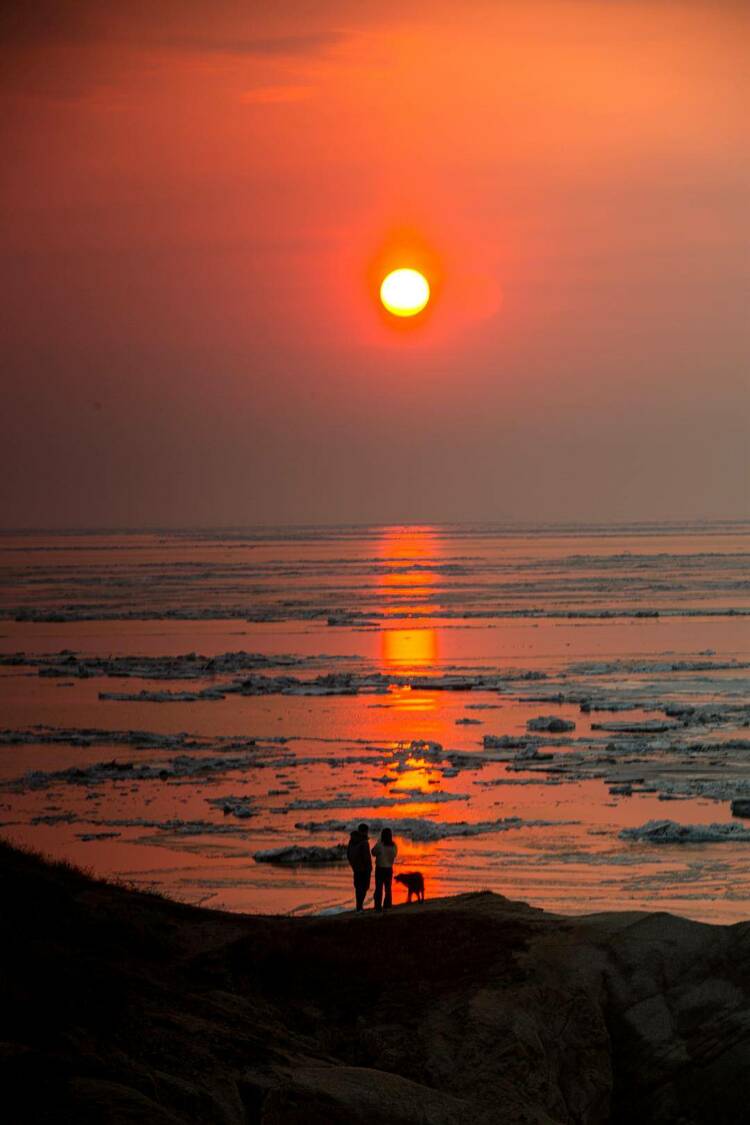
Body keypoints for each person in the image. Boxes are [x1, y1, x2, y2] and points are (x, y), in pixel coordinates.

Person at [371, 826, 398, 912]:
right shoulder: (394, 846)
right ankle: (387, 905)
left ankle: (378, 906)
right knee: (388, 888)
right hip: (389, 868)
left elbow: (373, 852)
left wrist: (378, 842)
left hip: (380, 868)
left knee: (379, 888)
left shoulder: (380, 845)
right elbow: (394, 855)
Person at [346, 822, 372, 911]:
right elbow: (367, 857)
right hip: (364, 869)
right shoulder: (364, 843)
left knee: (358, 888)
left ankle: (359, 906)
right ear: (365, 831)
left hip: (356, 868)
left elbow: (348, 854)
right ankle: (360, 907)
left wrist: (353, 865)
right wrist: (369, 868)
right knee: (364, 887)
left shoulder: (351, 840)